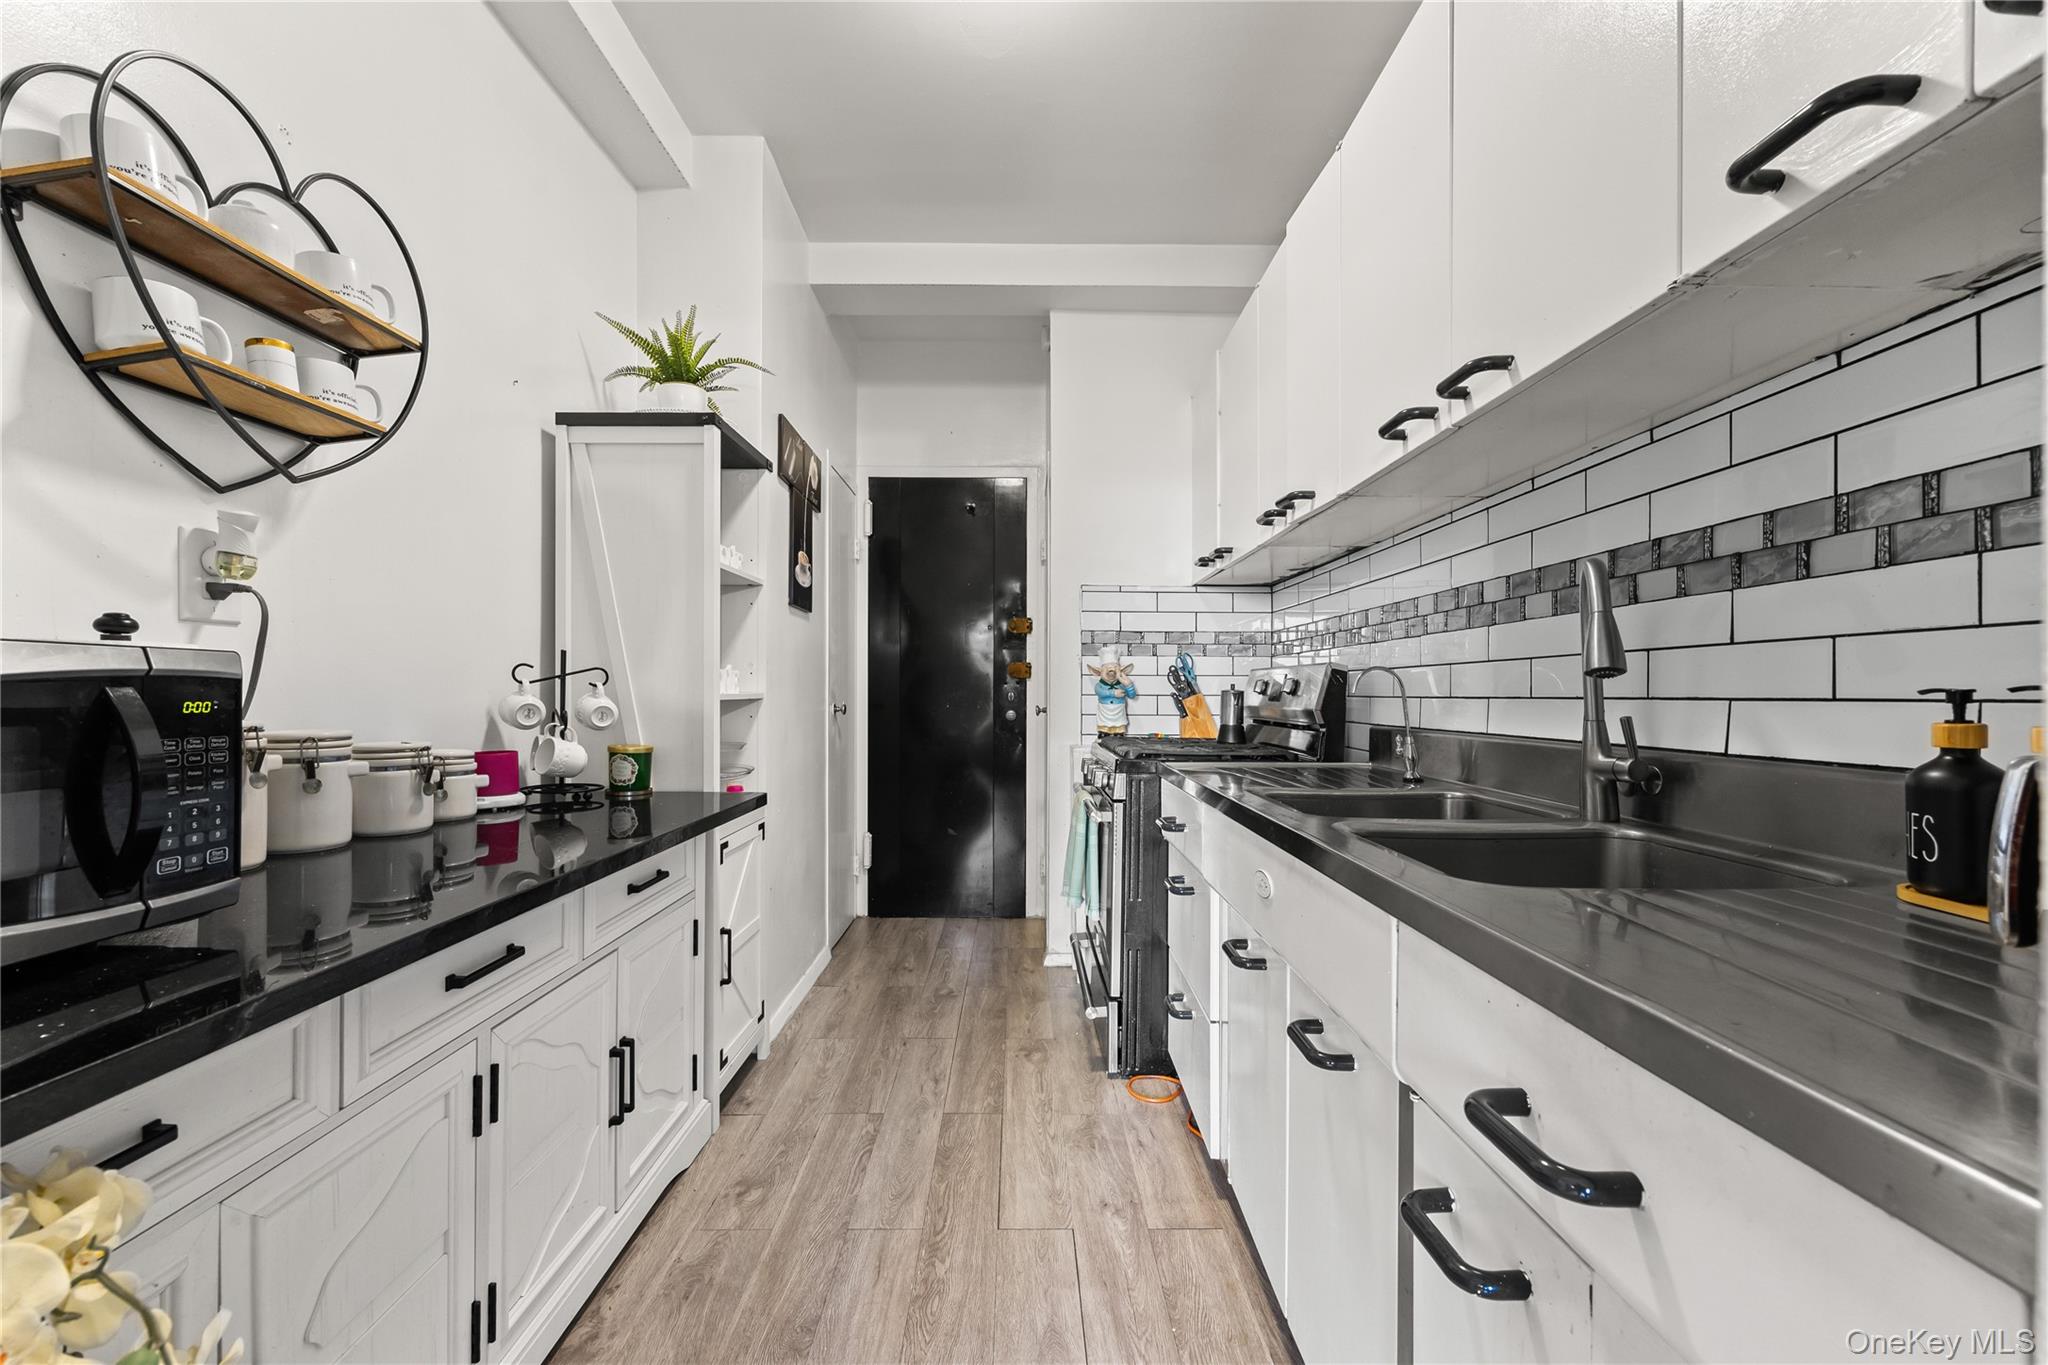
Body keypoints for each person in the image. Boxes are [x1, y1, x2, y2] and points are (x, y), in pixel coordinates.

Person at [1089, 645, 1139, 735]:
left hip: (1119, 712)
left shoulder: (1122, 684)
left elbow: (1132, 695)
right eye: (1106, 668)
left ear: (1121, 671)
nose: (1111, 669)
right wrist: (1113, 693)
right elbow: (1100, 692)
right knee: (1104, 729)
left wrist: (1128, 685)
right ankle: (1104, 733)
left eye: (1115, 667)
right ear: (1099, 672)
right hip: (1104, 712)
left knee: (1119, 729)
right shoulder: (1099, 685)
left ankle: (1118, 735)